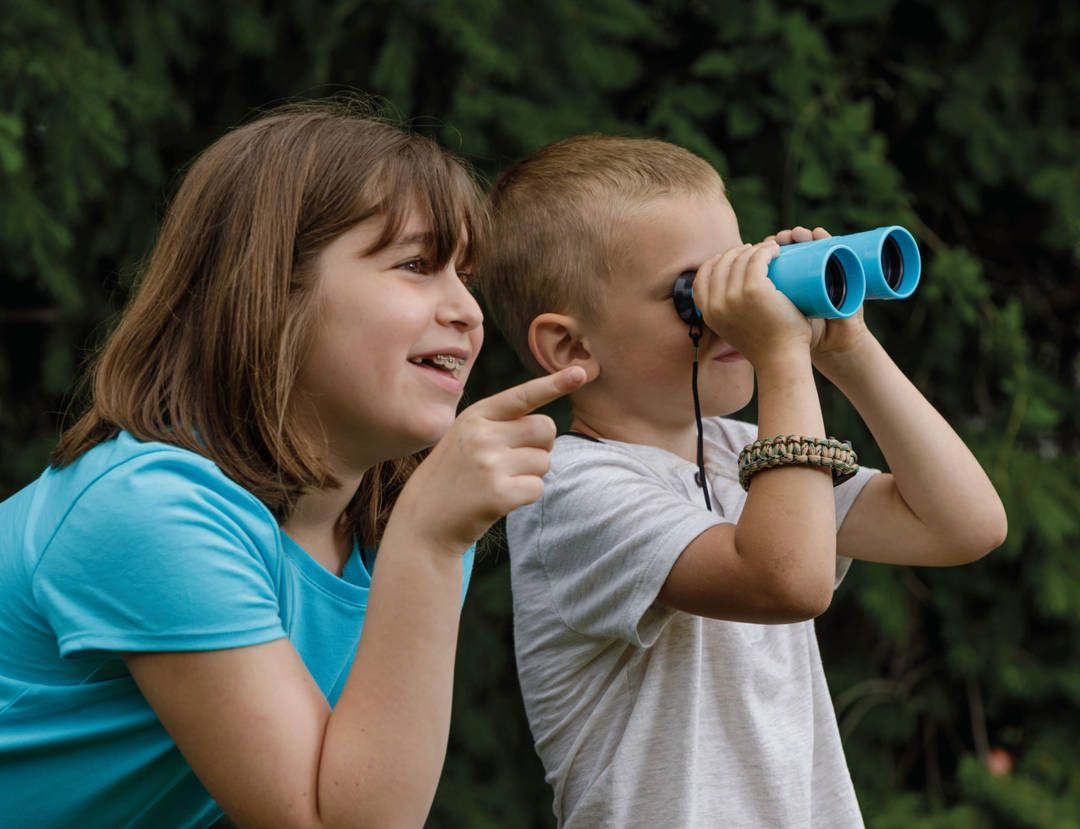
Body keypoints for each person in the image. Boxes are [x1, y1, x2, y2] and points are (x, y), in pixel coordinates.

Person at [0, 102, 586, 829]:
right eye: (416, 264)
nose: (468, 310)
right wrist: (430, 544)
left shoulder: (399, 524)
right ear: (273, 288)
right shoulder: (149, 509)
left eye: (465, 274)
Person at [479, 134, 1007, 829]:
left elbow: (964, 524)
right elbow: (788, 579)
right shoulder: (570, 492)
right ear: (572, 347)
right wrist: (784, 357)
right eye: (693, 291)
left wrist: (847, 350)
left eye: (739, 270)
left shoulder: (744, 453)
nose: (736, 307)